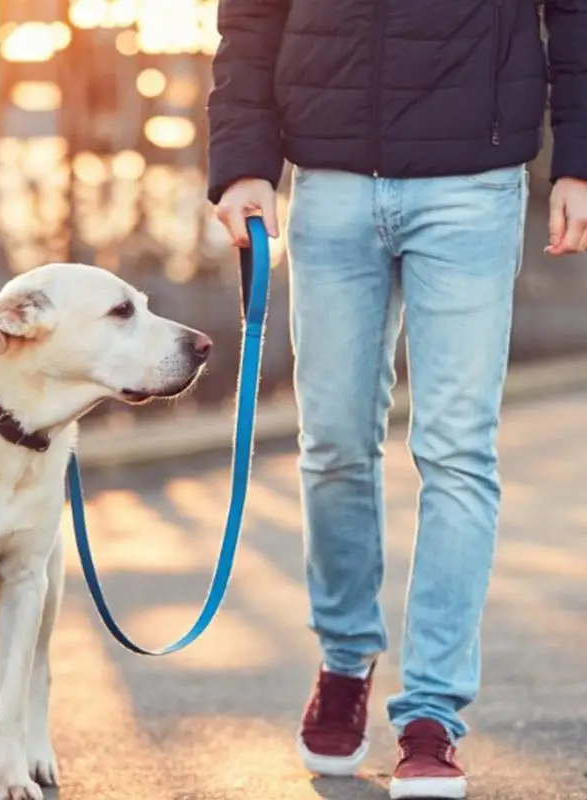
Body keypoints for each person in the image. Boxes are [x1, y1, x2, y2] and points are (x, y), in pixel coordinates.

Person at [207, 1, 587, 798]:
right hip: (332, 182)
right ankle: (346, 659)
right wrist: (245, 158)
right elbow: (251, 14)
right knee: (334, 442)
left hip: (473, 185)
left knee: (456, 450)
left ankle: (432, 715)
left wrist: (580, 162)